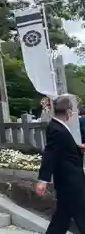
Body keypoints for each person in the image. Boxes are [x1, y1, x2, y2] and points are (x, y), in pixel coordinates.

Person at [36, 96, 85, 234]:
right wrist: (43, 180)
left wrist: (77, 148)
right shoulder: (57, 129)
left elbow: (61, 149)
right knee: (81, 214)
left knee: (62, 218)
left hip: (68, 181)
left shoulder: (58, 126)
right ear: (68, 111)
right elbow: (50, 154)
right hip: (70, 181)